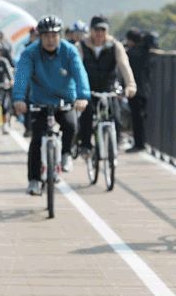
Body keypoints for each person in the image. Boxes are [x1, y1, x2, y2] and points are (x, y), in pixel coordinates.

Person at [12, 15, 91, 195]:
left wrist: (83, 96)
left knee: (71, 125)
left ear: (60, 35)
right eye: (46, 35)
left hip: (65, 100)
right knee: (37, 139)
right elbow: (22, 76)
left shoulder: (69, 51)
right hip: (40, 101)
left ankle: (65, 154)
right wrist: (18, 98)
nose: (50, 40)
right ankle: (33, 180)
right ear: (40, 36)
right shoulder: (30, 53)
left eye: (54, 35)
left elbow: (80, 74)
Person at [76, 15, 137, 157]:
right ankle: (85, 145)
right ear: (90, 30)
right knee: (87, 114)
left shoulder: (115, 46)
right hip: (88, 89)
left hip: (108, 87)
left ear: (107, 31)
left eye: (103, 30)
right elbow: (76, 68)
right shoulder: (81, 46)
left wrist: (131, 85)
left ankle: (114, 144)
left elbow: (124, 66)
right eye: (96, 29)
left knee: (115, 114)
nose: (99, 33)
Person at [125, 28, 152, 153]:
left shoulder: (129, 53)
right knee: (142, 118)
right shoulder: (146, 51)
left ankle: (139, 144)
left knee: (136, 118)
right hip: (145, 90)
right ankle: (143, 143)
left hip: (133, 90)